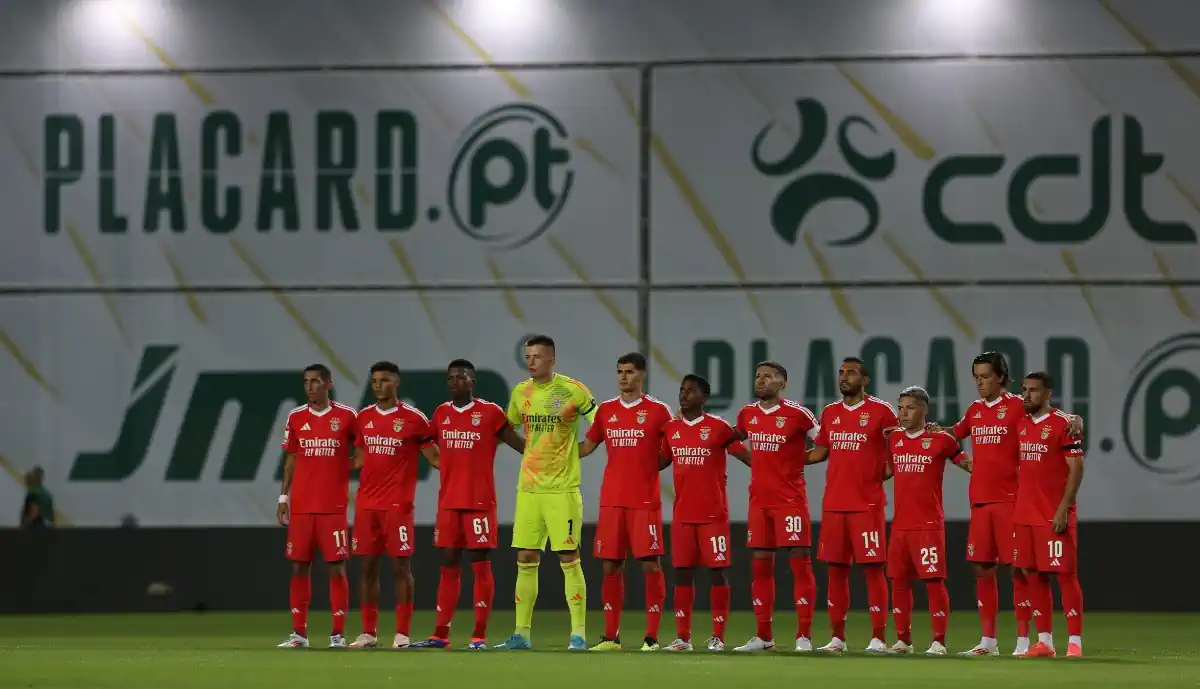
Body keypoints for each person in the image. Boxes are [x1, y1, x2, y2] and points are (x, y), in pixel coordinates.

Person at [951, 352, 1084, 657]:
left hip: (1014, 501)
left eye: (986, 376)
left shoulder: (1017, 406)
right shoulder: (974, 410)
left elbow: (1054, 419)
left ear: (1001, 377)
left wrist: (1076, 418)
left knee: (1022, 571)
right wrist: (952, 452)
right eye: (976, 377)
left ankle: (1026, 639)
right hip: (981, 501)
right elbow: (954, 436)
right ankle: (988, 642)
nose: (980, 383)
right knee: (983, 569)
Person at [411, 359, 525, 649]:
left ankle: (479, 636)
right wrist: (436, 460)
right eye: (451, 377)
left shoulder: (489, 413)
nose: (455, 382)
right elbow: (424, 439)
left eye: (461, 377)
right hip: (449, 503)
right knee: (448, 563)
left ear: (473, 382)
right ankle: (440, 634)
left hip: (479, 502)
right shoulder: (442, 413)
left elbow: (518, 443)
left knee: (479, 564)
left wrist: (544, 449)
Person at [495, 335, 597, 651]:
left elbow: (602, 424)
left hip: (562, 490)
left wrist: (579, 451)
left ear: (552, 359)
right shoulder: (520, 393)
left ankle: (578, 634)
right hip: (529, 489)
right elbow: (505, 427)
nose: (531, 361)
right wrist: (527, 450)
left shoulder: (572, 389)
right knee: (525, 557)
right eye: (528, 356)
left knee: (568, 557)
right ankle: (521, 634)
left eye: (537, 356)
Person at [578, 352, 673, 652]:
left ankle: (652, 638)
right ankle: (610, 637)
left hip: (644, 502)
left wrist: (647, 468)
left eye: (629, 372)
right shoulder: (606, 411)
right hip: (612, 501)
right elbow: (588, 446)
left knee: (650, 565)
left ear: (641, 375)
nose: (623, 377)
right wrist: (554, 449)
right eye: (620, 371)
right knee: (610, 566)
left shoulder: (659, 411)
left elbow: (671, 450)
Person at [808, 357, 899, 654]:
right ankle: (837, 638)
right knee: (836, 571)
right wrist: (782, 457)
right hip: (834, 504)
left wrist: (881, 474)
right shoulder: (830, 412)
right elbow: (819, 453)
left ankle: (878, 638)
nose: (845, 377)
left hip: (867, 505)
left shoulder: (882, 411)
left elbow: (898, 450)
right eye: (842, 372)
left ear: (866, 379)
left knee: (873, 570)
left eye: (852, 373)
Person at [347, 361, 440, 649]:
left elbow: (435, 458)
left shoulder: (414, 419)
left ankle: (402, 632)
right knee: (367, 568)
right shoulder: (363, 418)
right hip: (366, 505)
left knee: (401, 567)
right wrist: (325, 466)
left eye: (385, 380)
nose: (378, 385)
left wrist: (465, 466)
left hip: (398, 506)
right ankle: (368, 633)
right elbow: (360, 459)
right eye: (374, 380)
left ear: (396, 383)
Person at [730, 362, 821, 653]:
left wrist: (796, 461)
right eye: (758, 375)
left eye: (769, 376)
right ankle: (763, 636)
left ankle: (804, 635)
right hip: (759, 502)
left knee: (799, 563)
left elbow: (825, 445)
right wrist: (748, 458)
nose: (761, 380)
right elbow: (729, 440)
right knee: (760, 566)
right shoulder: (747, 414)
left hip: (790, 501)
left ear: (783, 383)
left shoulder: (798, 414)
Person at [660, 374, 750, 652]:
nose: (684, 395)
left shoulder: (718, 428)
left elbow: (745, 455)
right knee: (683, 574)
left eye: (691, 391)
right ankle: (682, 638)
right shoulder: (671, 430)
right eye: (682, 390)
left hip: (713, 516)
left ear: (704, 398)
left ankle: (717, 637)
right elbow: (658, 462)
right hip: (683, 516)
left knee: (717, 574)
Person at [276, 364, 360, 649]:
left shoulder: (347, 416)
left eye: (315, 381)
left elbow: (362, 454)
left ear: (328, 384)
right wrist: (283, 498)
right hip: (301, 507)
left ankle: (337, 634)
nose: (309, 386)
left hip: (332, 507)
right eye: (306, 382)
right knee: (299, 567)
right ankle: (299, 634)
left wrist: (339, 468)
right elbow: (290, 459)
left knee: (336, 569)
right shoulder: (296, 417)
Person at [884, 386, 971, 656]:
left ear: (924, 410)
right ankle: (903, 641)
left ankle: (939, 642)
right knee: (898, 581)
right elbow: (885, 471)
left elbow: (966, 463)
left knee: (933, 582)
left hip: (928, 525)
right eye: (900, 407)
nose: (903, 413)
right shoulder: (893, 439)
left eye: (910, 407)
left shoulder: (940, 440)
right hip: (900, 525)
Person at [1013, 371, 1085, 658]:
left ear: (1047, 394)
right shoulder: (1020, 423)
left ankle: (1075, 642)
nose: (1026, 395)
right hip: (1025, 514)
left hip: (1053, 515)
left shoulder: (1063, 425)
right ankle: (1044, 641)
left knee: (1066, 575)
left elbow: (1076, 470)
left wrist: (1063, 509)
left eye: (1033, 390)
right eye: (1024, 390)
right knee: (1033, 575)